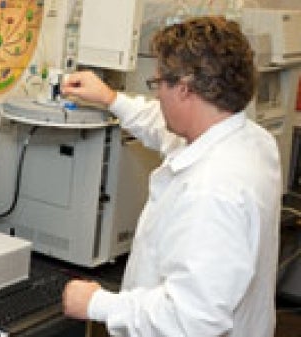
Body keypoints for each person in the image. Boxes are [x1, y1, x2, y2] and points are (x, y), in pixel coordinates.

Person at [61, 16, 281, 337]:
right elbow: (159, 123)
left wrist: (97, 303)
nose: (157, 96)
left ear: (185, 88)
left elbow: (192, 320)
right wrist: (111, 99)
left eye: (159, 83)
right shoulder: (252, 139)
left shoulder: (211, 190)